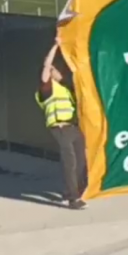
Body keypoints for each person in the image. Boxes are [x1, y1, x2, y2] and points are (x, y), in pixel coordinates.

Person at [36, 38, 85, 209]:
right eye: (52, 70)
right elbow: (46, 65)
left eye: (55, 70)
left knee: (80, 160)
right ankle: (73, 198)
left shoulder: (65, 88)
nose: (54, 72)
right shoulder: (46, 88)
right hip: (59, 128)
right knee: (70, 161)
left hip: (73, 128)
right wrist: (56, 45)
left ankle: (71, 191)